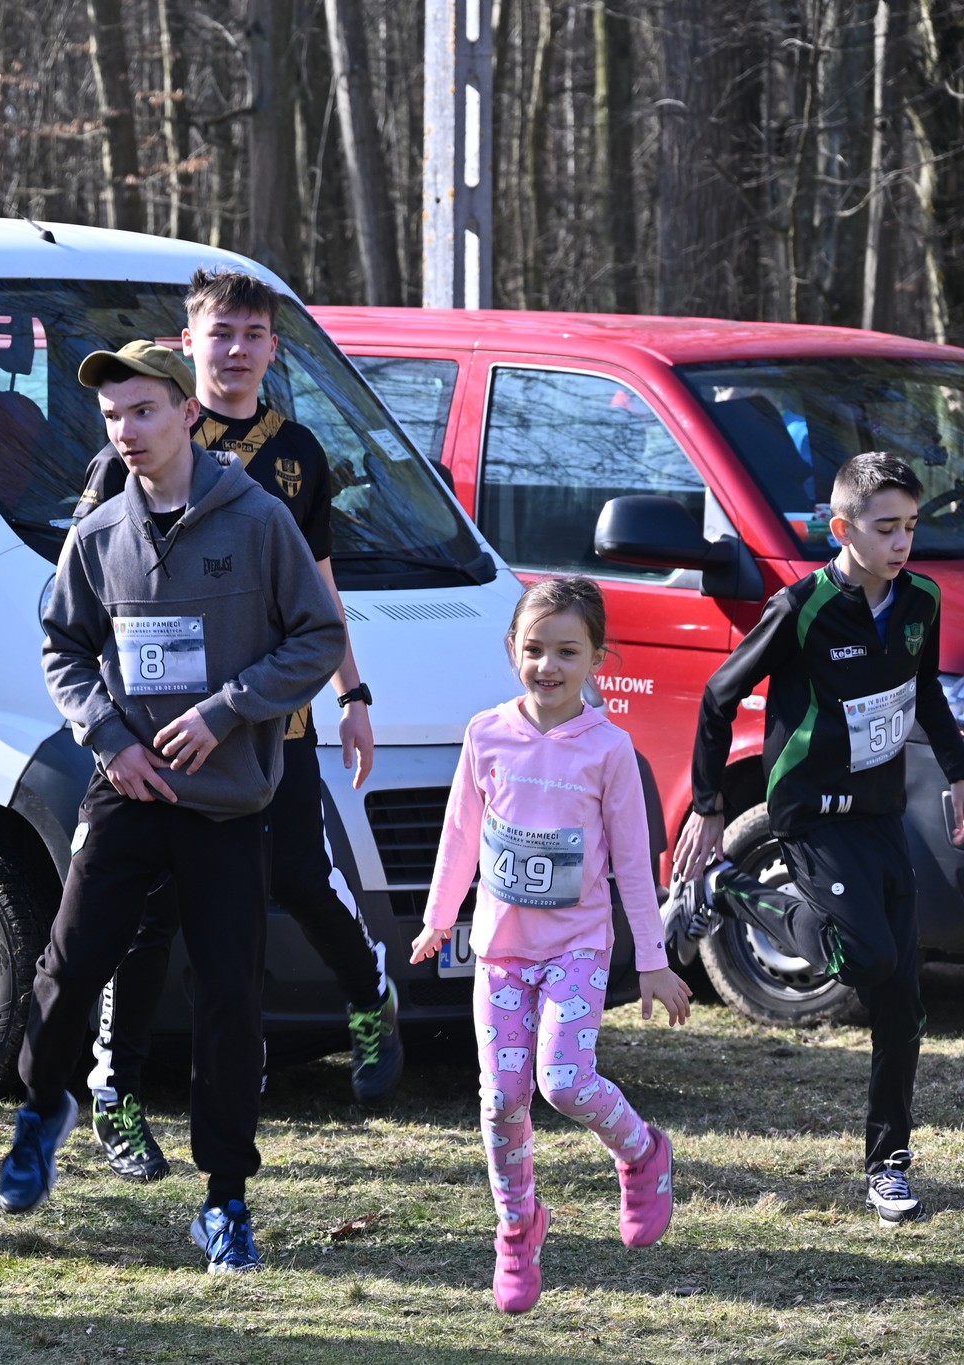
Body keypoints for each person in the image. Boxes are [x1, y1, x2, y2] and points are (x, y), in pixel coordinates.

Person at [1, 340, 344, 1273]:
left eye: (144, 410)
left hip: (227, 802)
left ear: (187, 412)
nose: (127, 431)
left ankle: (225, 1201)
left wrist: (226, 712)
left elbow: (317, 637)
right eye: (113, 417)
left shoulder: (259, 519)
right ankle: (42, 1113)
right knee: (69, 967)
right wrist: (109, 740)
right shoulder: (98, 532)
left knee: (231, 996)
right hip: (127, 792)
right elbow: (62, 648)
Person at [71, 268, 399, 1183]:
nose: (238, 348)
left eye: (255, 333)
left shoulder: (297, 452)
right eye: (222, 333)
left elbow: (319, 592)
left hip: (268, 728)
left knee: (297, 874)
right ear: (189, 343)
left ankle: (371, 1000)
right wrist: (109, 730)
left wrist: (353, 695)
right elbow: (87, 598)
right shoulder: (138, 442)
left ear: (273, 347)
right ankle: (118, 1092)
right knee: (144, 917)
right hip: (159, 741)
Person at [669, 452, 964, 1226]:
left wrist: (959, 772)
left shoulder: (920, 600)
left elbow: (923, 688)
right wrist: (706, 808)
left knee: (901, 1004)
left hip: (879, 813)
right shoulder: (801, 606)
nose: (903, 542)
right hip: (808, 813)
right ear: (843, 528)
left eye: (910, 526)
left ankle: (888, 1166)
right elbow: (717, 694)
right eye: (886, 527)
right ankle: (729, 888)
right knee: (864, 959)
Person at [411, 576, 690, 1314]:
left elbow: (634, 862)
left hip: (577, 950)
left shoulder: (609, 749)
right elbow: (462, 835)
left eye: (567, 651)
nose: (548, 666)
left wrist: (655, 962)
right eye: (534, 649)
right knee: (502, 1098)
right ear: (512, 649)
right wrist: (440, 918)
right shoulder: (486, 733)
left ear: (598, 657)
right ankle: (517, 1227)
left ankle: (642, 1151)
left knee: (564, 1081)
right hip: (501, 953)